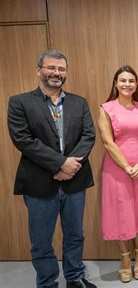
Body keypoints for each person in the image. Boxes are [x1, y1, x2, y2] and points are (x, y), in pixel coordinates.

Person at [7, 50, 96, 288]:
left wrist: (69, 167)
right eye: (51, 68)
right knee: (41, 241)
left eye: (61, 69)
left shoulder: (79, 102)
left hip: (74, 181)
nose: (57, 73)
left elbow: (88, 135)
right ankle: (47, 283)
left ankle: (75, 277)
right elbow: (23, 140)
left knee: (75, 235)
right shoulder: (20, 103)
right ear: (39, 70)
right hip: (39, 183)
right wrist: (59, 164)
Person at [97, 65, 138, 283]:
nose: (127, 84)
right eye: (122, 80)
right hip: (117, 169)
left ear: (136, 85)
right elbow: (107, 142)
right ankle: (125, 259)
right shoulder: (106, 108)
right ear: (115, 83)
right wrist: (126, 167)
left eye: (131, 81)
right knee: (121, 213)